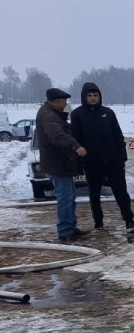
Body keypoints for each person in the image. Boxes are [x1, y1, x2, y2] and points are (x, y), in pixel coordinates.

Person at [71, 82, 134, 233]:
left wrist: (122, 156)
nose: (93, 98)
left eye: (95, 95)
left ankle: (129, 220)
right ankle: (98, 222)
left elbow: (118, 135)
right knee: (94, 194)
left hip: (113, 160)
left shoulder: (108, 113)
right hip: (92, 162)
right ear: (84, 97)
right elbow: (75, 139)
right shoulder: (77, 115)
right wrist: (80, 162)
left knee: (121, 191)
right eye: (89, 96)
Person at [35, 88, 89, 241]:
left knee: (70, 196)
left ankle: (70, 226)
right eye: (65, 101)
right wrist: (76, 146)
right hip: (57, 165)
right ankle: (65, 231)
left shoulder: (50, 113)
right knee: (65, 198)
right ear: (58, 101)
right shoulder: (48, 116)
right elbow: (57, 135)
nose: (66, 104)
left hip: (60, 164)